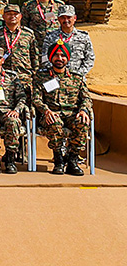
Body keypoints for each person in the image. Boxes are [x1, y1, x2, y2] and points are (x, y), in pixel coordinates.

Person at [34, 40, 93, 176]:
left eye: (63, 56)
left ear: (67, 58)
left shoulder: (76, 78)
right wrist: (46, 111)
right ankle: (59, 160)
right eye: (56, 55)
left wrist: (84, 110)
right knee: (55, 122)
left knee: (82, 122)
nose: (59, 59)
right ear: (50, 57)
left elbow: (86, 98)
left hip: (72, 114)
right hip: (50, 114)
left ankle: (72, 160)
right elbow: (36, 98)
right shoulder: (41, 76)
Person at [41, 5, 95, 76]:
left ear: (75, 18)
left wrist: (79, 74)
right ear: (58, 19)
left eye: (69, 17)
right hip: (54, 76)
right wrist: (54, 71)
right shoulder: (50, 37)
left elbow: (90, 58)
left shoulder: (83, 37)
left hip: (76, 78)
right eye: (63, 18)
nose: (66, 20)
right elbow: (44, 57)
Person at [0, 4, 37, 76]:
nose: (12, 16)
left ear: (20, 16)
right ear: (3, 17)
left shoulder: (28, 34)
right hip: (3, 76)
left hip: (23, 75)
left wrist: (35, 72)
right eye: (9, 14)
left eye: (15, 14)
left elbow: (34, 55)